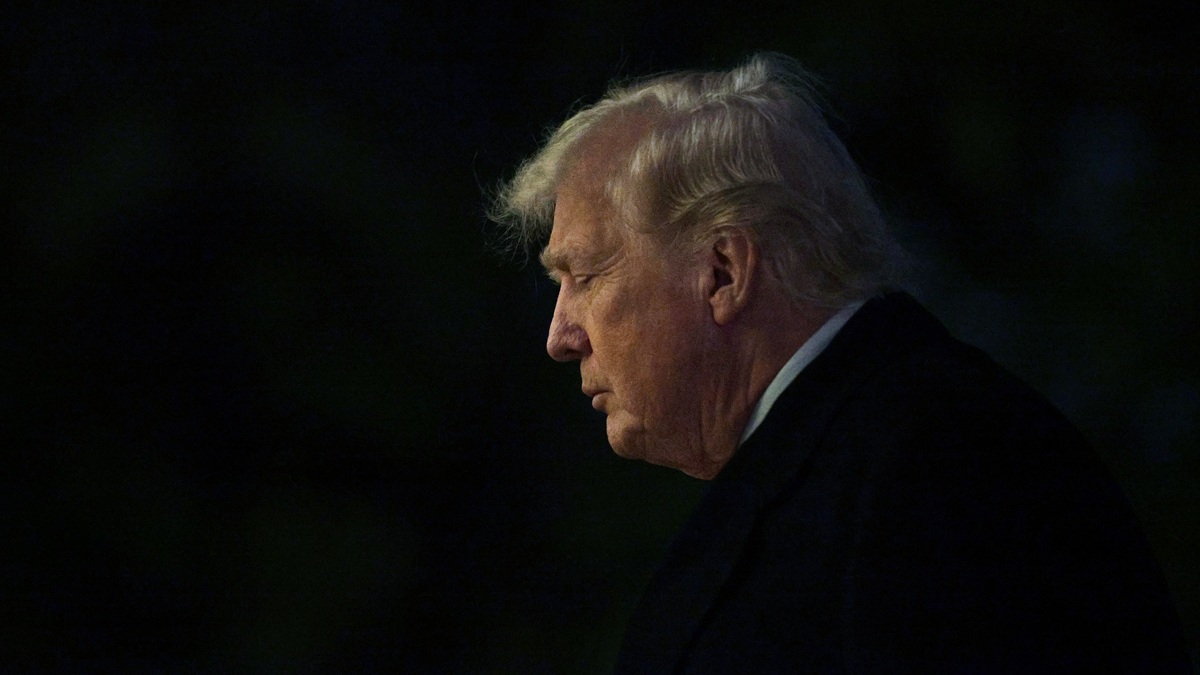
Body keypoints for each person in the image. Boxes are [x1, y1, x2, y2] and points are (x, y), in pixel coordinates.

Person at [491, 53, 1190, 673]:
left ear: (724, 272)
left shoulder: (942, 462)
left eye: (584, 275)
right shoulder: (865, 459)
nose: (560, 335)